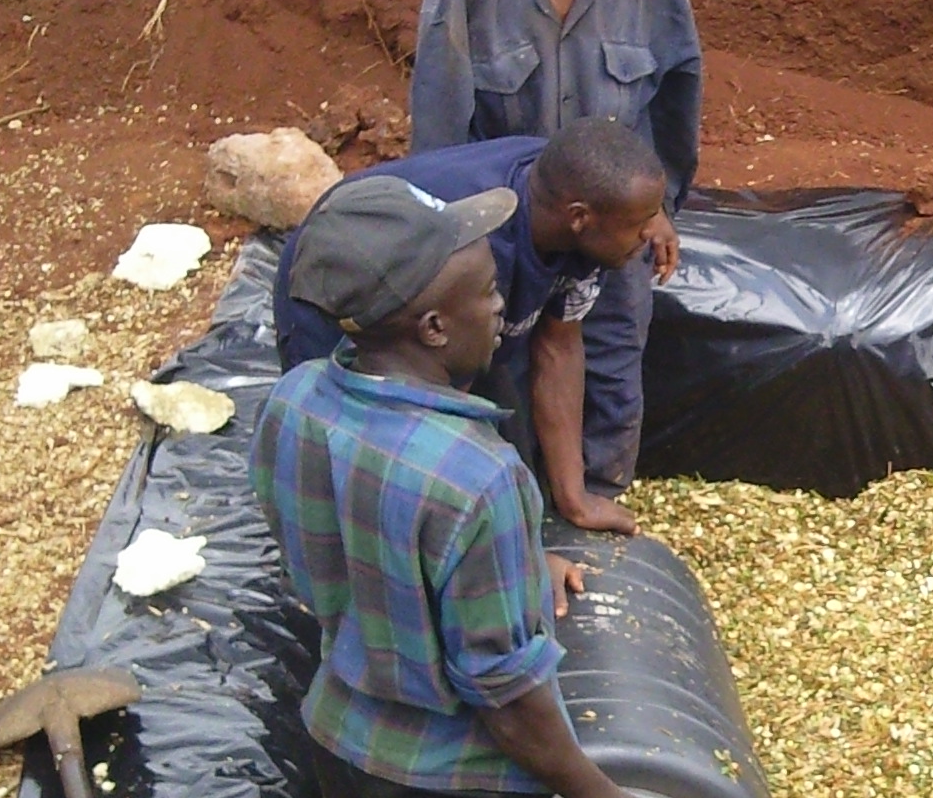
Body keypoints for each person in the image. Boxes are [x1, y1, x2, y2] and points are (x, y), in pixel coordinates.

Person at [251, 175, 669, 798]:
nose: (498, 311)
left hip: (342, 740)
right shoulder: (478, 480)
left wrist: (512, 571)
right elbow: (509, 699)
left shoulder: (295, 400)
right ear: (433, 330)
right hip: (457, 787)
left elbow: (327, 552)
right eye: (484, 295)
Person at [411, 0, 703, 535]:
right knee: (500, 370)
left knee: (606, 360)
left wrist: (656, 205)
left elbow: (676, 87)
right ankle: (510, 521)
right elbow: (442, 124)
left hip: (609, 225)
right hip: (511, 231)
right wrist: (448, 245)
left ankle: (597, 501)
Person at [274, 119, 666, 535]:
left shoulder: (586, 208)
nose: (651, 232)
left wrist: (575, 500)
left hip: (441, 314)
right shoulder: (477, 255)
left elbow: (558, 346)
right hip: (340, 288)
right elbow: (442, 407)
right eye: (640, 220)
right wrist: (520, 554)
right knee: (369, 456)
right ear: (579, 218)